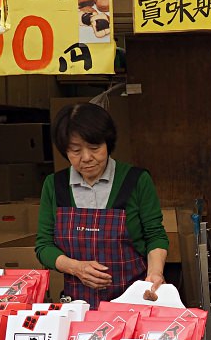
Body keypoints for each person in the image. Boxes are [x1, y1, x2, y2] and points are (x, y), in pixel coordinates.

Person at [36, 103, 169, 307]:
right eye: (75, 150)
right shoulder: (54, 186)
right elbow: (44, 246)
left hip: (133, 301)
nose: (86, 158)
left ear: (108, 142)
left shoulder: (137, 180)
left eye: (94, 148)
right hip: (78, 306)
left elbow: (155, 235)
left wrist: (155, 273)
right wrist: (75, 268)